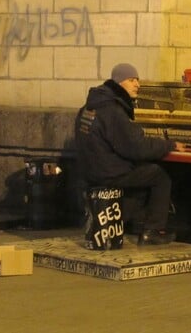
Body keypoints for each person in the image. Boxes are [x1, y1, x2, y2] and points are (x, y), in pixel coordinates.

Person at [75, 63, 185, 245]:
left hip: (92, 170)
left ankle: (130, 222)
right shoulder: (113, 110)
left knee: (141, 175)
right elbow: (136, 147)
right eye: (131, 80)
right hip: (109, 172)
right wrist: (169, 145)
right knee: (160, 175)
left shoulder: (91, 106)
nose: (137, 85)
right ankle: (153, 231)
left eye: (138, 80)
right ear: (119, 83)